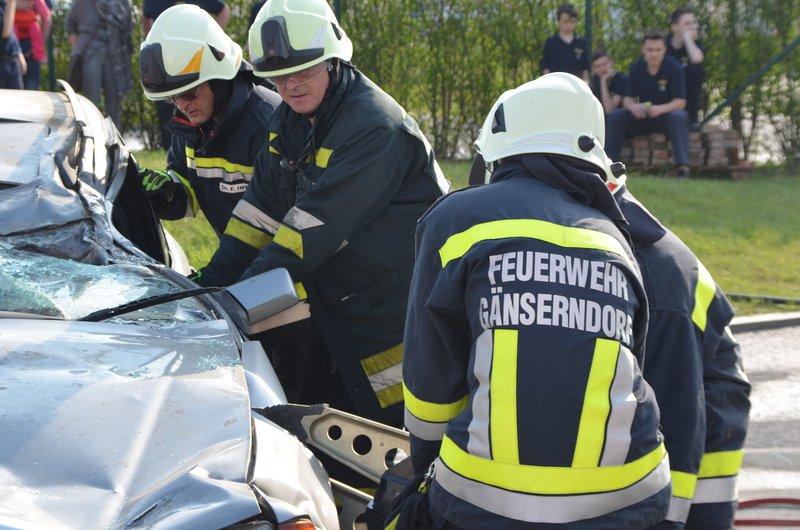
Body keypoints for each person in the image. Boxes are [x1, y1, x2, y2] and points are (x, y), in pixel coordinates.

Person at [398, 72, 670, 529]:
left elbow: (430, 374)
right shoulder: (614, 238)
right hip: (631, 495)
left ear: (499, 150)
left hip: (486, 498)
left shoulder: (457, 219)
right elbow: (630, 362)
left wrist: (425, 463)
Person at [195, 0, 448, 427]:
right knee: (331, 420)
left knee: (396, 424)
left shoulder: (375, 126)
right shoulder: (290, 121)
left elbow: (310, 232)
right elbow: (257, 214)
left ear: (333, 60)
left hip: (395, 305)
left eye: (303, 71)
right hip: (342, 296)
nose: (290, 85)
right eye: (279, 76)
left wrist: (234, 301)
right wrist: (208, 287)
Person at [609, 181, 751, 530]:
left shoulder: (655, 276)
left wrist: (664, 520)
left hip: (708, 436)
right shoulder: (620, 239)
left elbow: (676, 414)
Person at [138, 5, 281, 246]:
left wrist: (224, 268)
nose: (182, 105)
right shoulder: (190, 123)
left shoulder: (266, 123)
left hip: (284, 262)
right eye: (173, 97)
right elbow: (188, 194)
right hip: (241, 258)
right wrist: (167, 192)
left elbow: (278, 223)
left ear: (218, 78)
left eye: (189, 93)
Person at [142, 0, 230, 150]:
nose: (181, 103)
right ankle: (168, 148)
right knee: (168, 111)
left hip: (193, 65)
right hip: (165, 67)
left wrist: (211, 43)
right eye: (174, 99)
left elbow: (224, 10)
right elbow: (146, 17)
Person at [604, 31, 690, 177]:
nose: (654, 54)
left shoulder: (674, 68)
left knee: (679, 116)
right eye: (650, 50)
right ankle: (608, 166)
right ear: (643, 50)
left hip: (665, 117)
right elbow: (627, 99)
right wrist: (634, 107)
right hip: (642, 117)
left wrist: (660, 109)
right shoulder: (636, 68)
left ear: (664, 49)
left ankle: (683, 168)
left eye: (658, 50)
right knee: (616, 116)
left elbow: (681, 102)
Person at [66, 0, 132, 127]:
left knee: (114, 106)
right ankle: (92, 136)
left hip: (115, 57)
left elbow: (127, 29)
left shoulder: (123, 2)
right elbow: (70, 25)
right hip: (90, 55)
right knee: (91, 103)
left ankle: (114, 138)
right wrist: (77, 50)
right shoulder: (81, 2)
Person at [667, 7, 705, 131]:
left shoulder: (695, 45)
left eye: (694, 23)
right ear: (675, 27)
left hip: (686, 98)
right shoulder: (663, 45)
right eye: (687, 24)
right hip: (665, 93)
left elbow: (696, 59)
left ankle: (692, 119)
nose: (693, 26)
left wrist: (688, 38)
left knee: (695, 71)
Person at [540, 3, 589, 82]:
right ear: (559, 21)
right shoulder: (550, 43)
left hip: (576, 86)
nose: (569, 25)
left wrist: (585, 86)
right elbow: (545, 68)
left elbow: (585, 69)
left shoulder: (581, 42)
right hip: (555, 85)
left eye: (572, 21)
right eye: (565, 22)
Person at [13, 0, 49, 90]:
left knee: (30, 88)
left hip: (31, 47)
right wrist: (15, 4)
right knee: (14, 90)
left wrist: (39, 45)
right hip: (12, 46)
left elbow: (47, 19)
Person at [590, 49, 627, 114]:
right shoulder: (594, 81)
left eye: (604, 64)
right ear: (593, 69)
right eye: (597, 66)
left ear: (611, 63)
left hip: (617, 117)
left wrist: (603, 82)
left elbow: (610, 110)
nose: (602, 68)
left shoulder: (621, 79)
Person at [1, 0, 25, 89]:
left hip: (11, 63)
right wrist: (12, 2)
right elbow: (5, 32)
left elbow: (10, 32)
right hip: (3, 63)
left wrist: (18, 52)